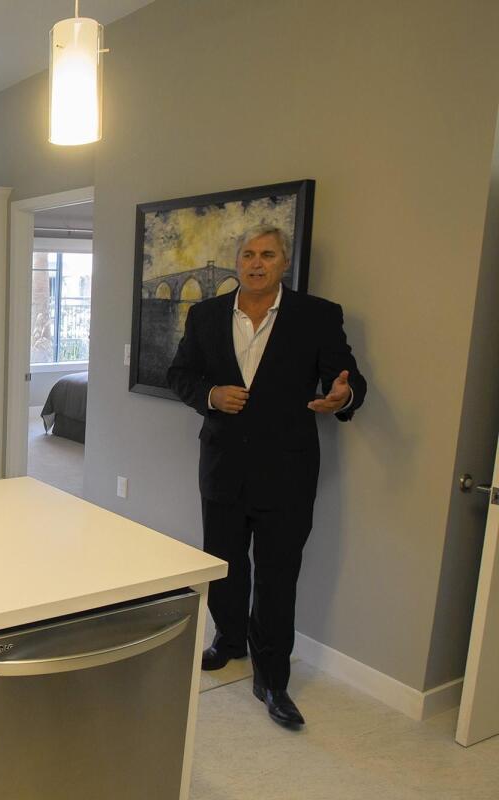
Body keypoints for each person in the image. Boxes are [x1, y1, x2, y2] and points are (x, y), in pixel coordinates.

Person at [167, 224, 366, 729]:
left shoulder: (318, 316)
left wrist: (342, 396)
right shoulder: (206, 314)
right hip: (222, 465)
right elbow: (181, 375)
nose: (257, 263)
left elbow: (346, 377)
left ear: (284, 264)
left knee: (279, 577)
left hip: (287, 470)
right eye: (249, 254)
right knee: (225, 564)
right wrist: (211, 395)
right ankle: (230, 641)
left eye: (268, 255)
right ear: (237, 262)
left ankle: (272, 678)